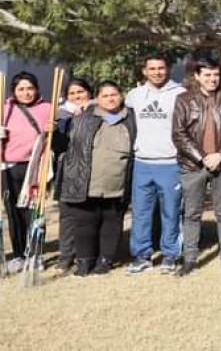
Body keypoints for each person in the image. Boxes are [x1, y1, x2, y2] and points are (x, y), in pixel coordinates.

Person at [172, 57, 221, 276]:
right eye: (207, 75)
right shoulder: (184, 100)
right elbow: (178, 133)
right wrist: (202, 157)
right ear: (197, 76)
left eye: (216, 75)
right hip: (193, 165)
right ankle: (190, 259)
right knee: (192, 214)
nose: (212, 79)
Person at [58, 81, 136, 276]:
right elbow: (62, 146)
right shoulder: (81, 118)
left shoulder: (131, 118)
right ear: (97, 99)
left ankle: (105, 260)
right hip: (86, 181)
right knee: (85, 222)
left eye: (114, 94)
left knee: (112, 222)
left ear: (121, 96)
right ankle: (84, 260)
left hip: (117, 182)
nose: (110, 99)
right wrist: (52, 134)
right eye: (105, 95)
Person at [125, 54, 188, 274]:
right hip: (143, 162)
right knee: (141, 212)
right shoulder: (134, 95)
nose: (157, 72)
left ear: (168, 69)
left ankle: (170, 255)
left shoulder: (180, 94)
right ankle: (142, 255)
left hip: (170, 163)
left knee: (171, 212)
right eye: (152, 68)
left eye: (161, 68)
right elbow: (112, 106)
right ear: (144, 71)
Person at [0, 71, 52, 274]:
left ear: (37, 89)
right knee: (13, 212)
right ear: (14, 91)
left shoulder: (47, 108)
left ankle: (35, 253)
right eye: (21, 89)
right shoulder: (5, 109)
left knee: (34, 211)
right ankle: (19, 254)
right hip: (8, 166)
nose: (26, 92)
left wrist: (53, 128)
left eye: (30, 88)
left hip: (35, 166)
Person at [52, 77, 94, 275]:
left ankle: (86, 254)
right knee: (67, 215)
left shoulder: (98, 112)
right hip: (67, 169)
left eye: (81, 92)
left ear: (89, 93)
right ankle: (66, 255)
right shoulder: (60, 115)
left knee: (87, 215)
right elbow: (57, 146)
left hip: (91, 169)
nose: (77, 96)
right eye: (72, 93)